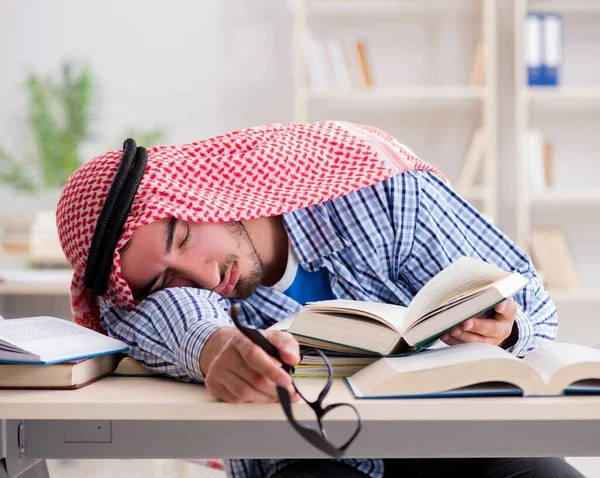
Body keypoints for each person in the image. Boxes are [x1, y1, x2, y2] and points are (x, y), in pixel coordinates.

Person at [55, 121, 583, 478]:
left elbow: (528, 299)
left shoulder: (376, 189)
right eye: (164, 280)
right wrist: (214, 345)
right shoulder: (151, 300)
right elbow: (141, 313)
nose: (203, 277)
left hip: (461, 433)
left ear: (203, 194)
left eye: (186, 239)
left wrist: (504, 328)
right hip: (307, 455)